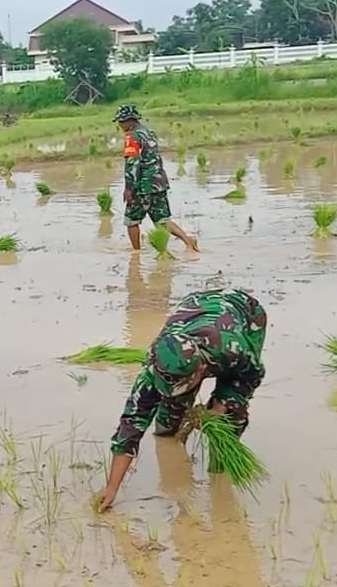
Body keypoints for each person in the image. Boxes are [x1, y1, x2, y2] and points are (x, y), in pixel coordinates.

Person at [95, 288, 268, 511]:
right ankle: (177, 476)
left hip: (245, 312)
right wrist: (111, 487)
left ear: (201, 369)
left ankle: (219, 475)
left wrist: (220, 407)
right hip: (194, 307)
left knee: (230, 416)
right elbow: (131, 425)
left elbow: (251, 375)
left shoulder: (232, 350)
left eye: (183, 383)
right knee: (169, 421)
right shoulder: (154, 366)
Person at [115, 104, 199, 254]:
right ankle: (188, 241)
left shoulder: (132, 137)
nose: (120, 125)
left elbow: (132, 164)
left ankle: (136, 254)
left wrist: (129, 188)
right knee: (162, 220)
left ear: (129, 120)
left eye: (121, 121)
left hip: (143, 185)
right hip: (159, 182)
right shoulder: (149, 133)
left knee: (131, 221)